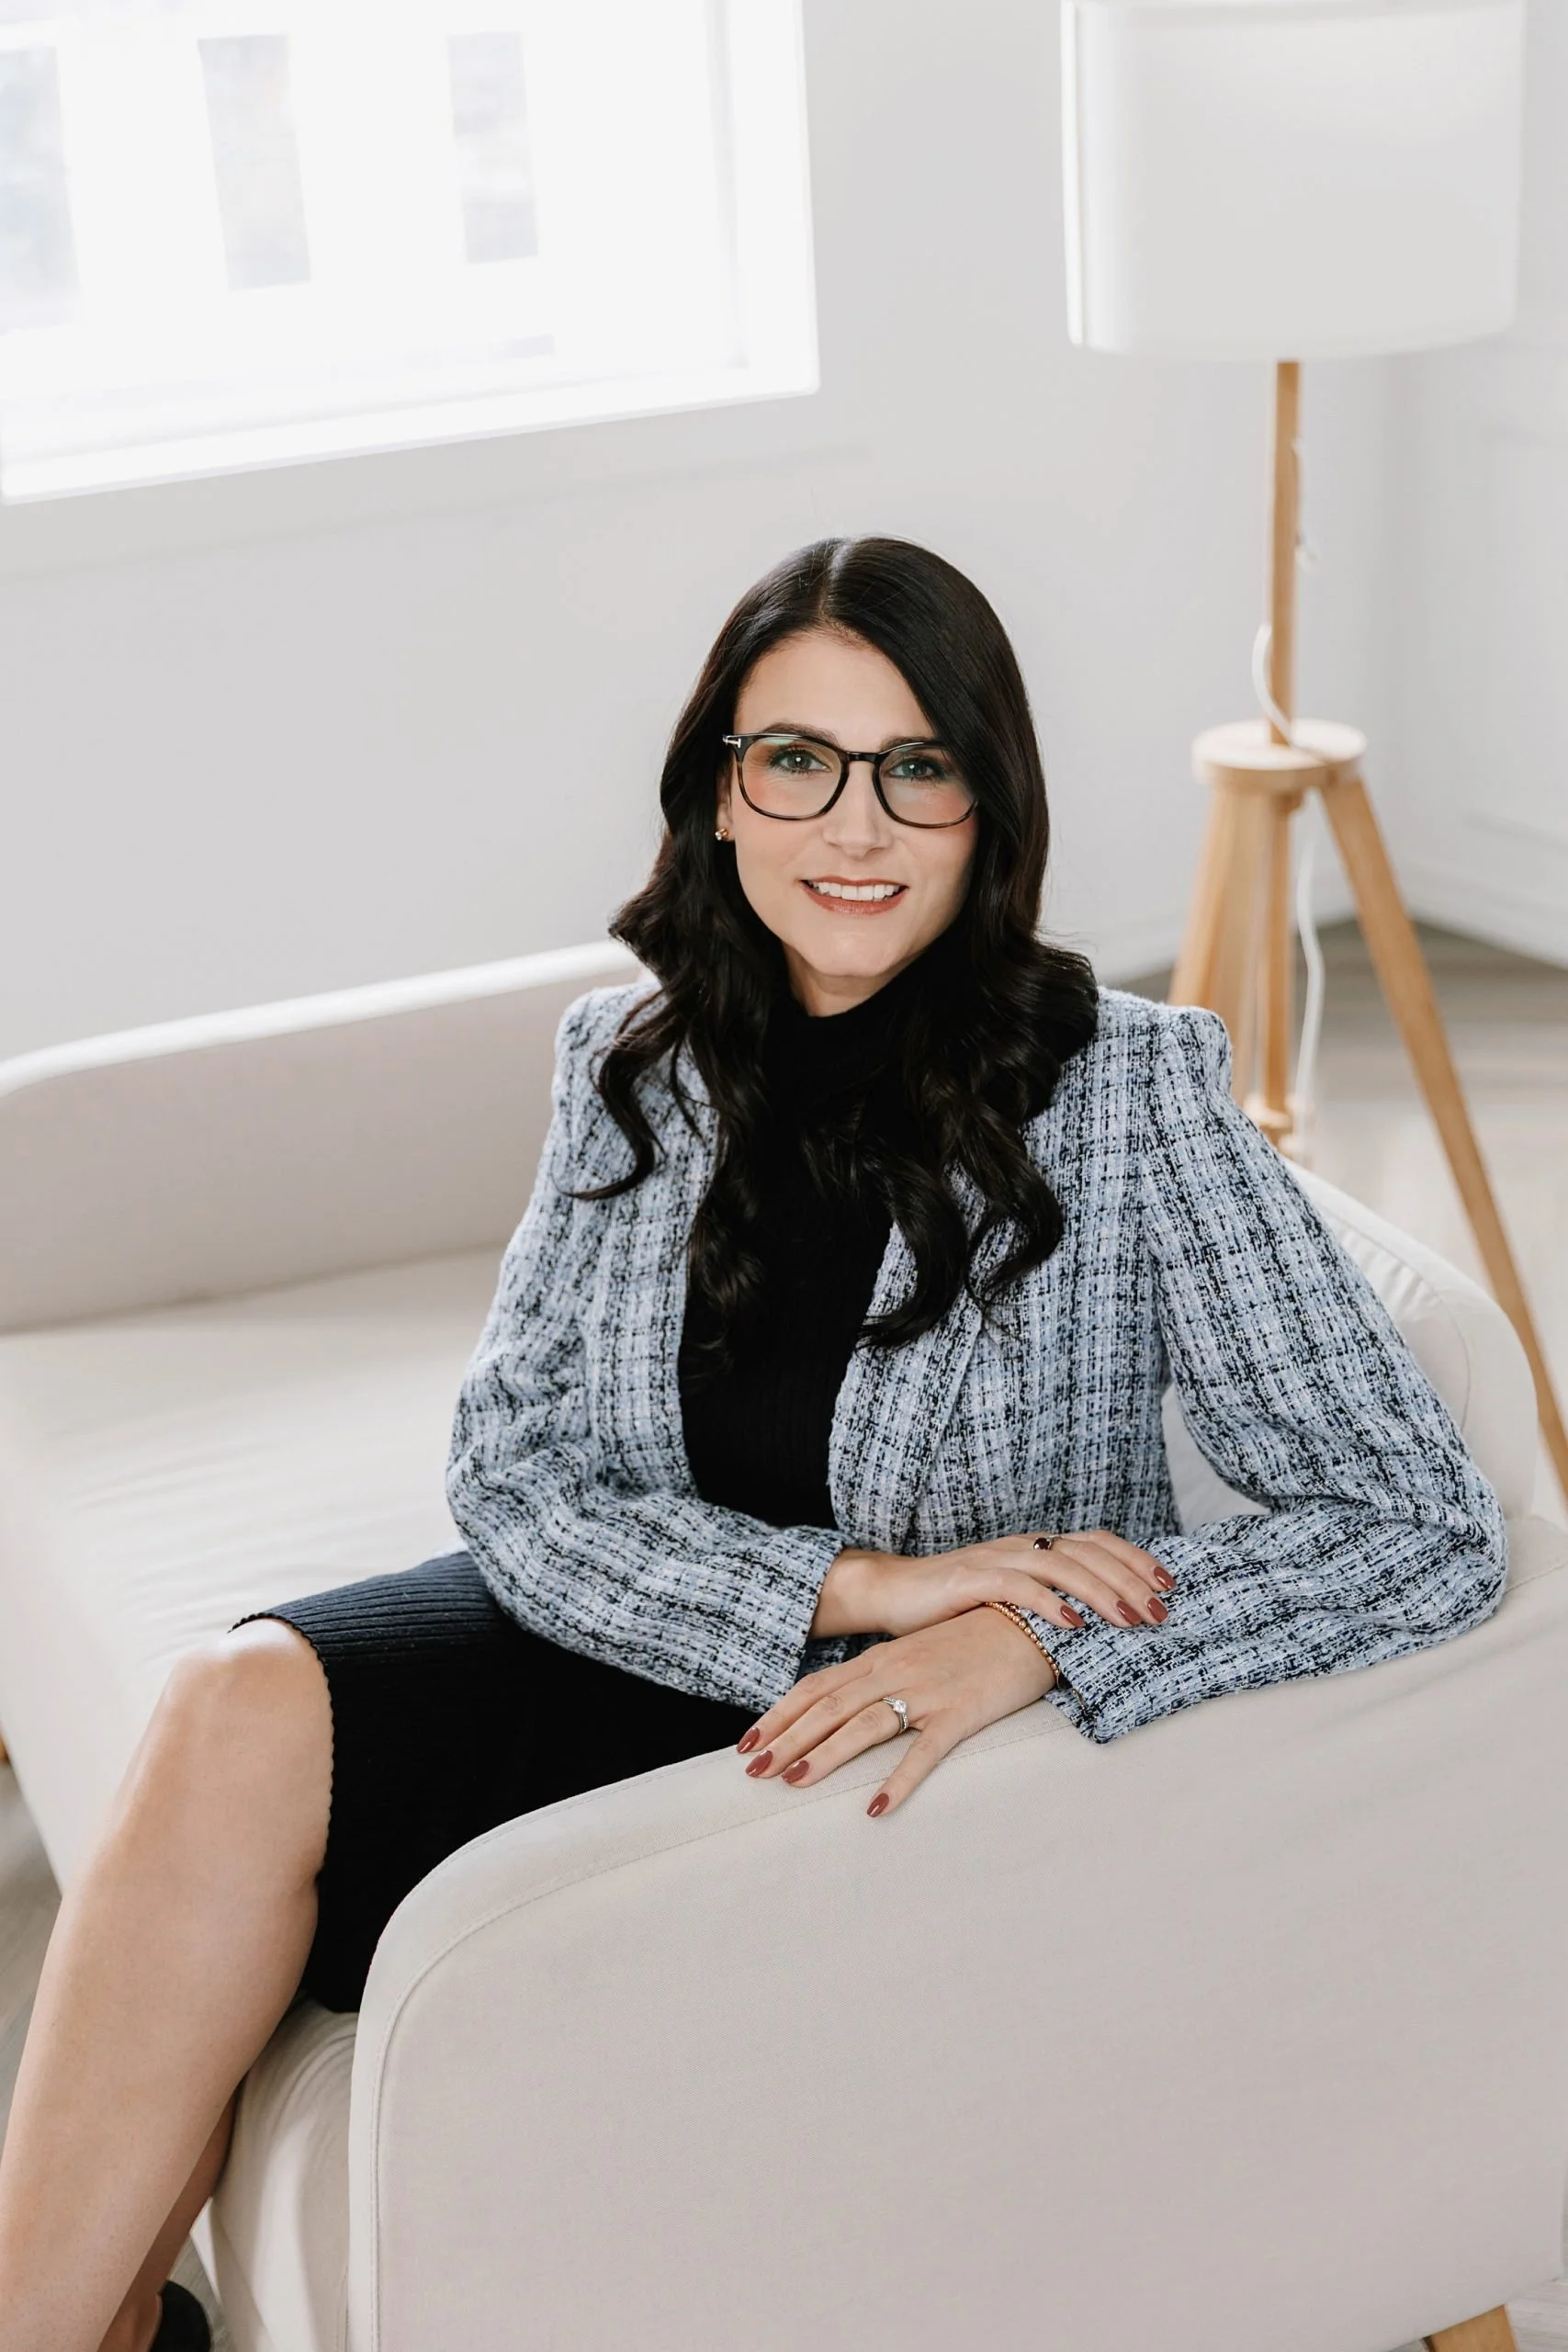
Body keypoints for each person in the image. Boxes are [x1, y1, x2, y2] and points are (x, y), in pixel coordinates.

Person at [0, 537, 1506, 2352]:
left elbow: (1420, 1511)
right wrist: (847, 1580)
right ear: (719, 788)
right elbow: (512, 1461)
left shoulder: (1129, 1088)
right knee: (226, 1704)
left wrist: (1030, 1625)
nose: (850, 824)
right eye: (793, 759)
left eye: (914, 766)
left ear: (986, 803)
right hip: (651, 1623)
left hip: (871, 1747)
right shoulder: (630, 1061)